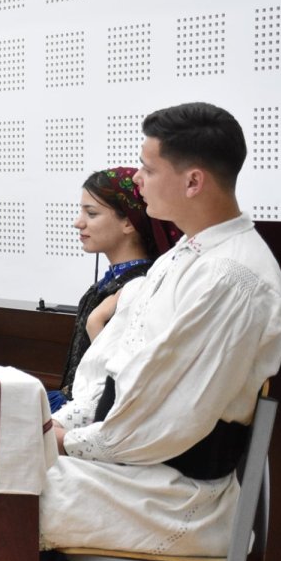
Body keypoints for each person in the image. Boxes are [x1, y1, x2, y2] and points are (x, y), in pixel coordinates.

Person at [39, 103, 281, 561]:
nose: (138, 179)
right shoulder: (184, 257)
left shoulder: (232, 278)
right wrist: (61, 423)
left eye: (148, 168)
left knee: (0, 492)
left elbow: (163, 421)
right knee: (0, 468)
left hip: (175, 491)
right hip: (137, 463)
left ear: (193, 181)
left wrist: (65, 440)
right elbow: (108, 371)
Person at [49, 167, 181, 412]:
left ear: (128, 222)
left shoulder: (141, 287)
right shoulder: (113, 282)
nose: (78, 223)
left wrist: (95, 323)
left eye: (91, 213)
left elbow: (123, 378)